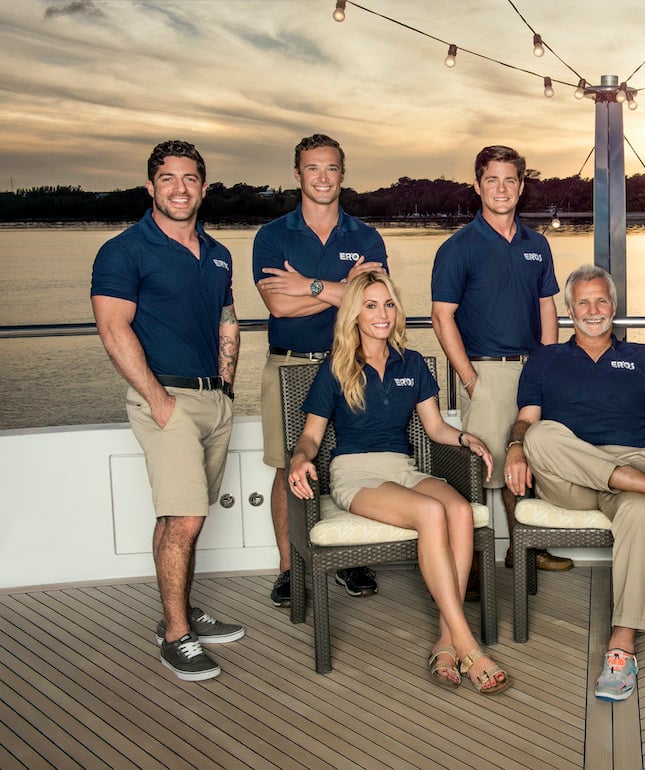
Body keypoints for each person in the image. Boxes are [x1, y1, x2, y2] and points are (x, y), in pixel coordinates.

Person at [288, 272, 510, 695]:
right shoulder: (335, 368)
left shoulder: (413, 364)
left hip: (402, 467)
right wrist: (300, 457)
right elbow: (312, 436)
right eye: (371, 305)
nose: (382, 314)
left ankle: (446, 642)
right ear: (354, 312)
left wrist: (465, 437)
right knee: (430, 512)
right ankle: (468, 644)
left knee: (460, 511)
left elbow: (436, 428)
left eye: (388, 304)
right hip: (355, 472)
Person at [503, 265, 645, 702]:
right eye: (583, 302)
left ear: (613, 308)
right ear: (568, 310)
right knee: (541, 435)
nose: (592, 310)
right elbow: (526, 422)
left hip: (629, 461)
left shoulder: (643, 358)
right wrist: (517, 447)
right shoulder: (545, 359)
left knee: (636, 511)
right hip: (568, 476)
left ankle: (621, 647)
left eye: (600, 302)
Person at [91, 140, 244, 681]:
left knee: (180, 517)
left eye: (190, 178)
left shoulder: (218, 252)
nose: (180, 188)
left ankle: (176, 611)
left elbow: (228, 318)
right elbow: (113, 328)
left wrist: (226, 389)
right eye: (168, 178)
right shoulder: (125, 250)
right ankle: (176, 635)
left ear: (203, 186)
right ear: (151, 186)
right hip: (167, 399)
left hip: (214, 401)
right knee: (186, 517)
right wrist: (159, 401)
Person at [254, 133, 389, 607]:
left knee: (349, 461)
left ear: (342, 175)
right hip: (288, 365)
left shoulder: (365, 236)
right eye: (313, 168)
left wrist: (306, 285)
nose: (323, 177)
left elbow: (373, 304)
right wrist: (341, 290)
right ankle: (291, 569)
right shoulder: (272, 235)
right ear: (298, 175)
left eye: (331, 168)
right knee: (284, 465)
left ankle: (350, 558)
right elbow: (277, 304)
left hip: (350, 367)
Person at [432, 145, 573, 581]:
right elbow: (442, 316)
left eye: (510, 179)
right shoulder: (459, 247)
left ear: (522, 186)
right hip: (486, 371)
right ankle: (470, 564)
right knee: (484, 467)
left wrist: (548, 364)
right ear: (477, 185)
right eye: (491, 179)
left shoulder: (537, 244)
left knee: (526, 458)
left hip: (533, 368)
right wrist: (470, 378)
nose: (501, 188)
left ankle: (525, 549)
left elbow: (547, 306)